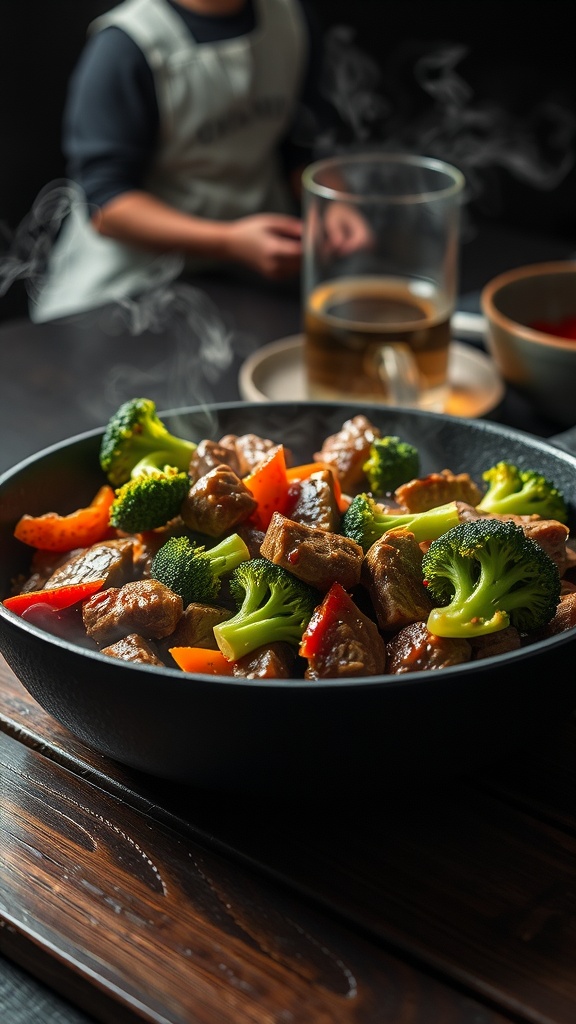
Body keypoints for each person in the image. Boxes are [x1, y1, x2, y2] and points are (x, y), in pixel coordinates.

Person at [30, 0, 329, 323]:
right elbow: (106, 205)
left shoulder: (290, 20)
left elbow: (299, 145)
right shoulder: (127, 45)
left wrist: (330, 208)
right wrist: (229, 241)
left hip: (253, 274)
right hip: (133, 282)